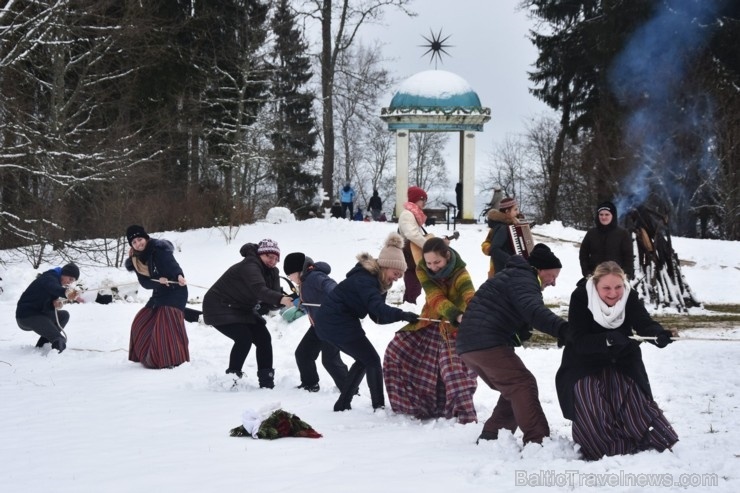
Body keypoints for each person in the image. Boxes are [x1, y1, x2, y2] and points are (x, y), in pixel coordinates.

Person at [556, 261, 678, 460]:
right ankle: (609, 446)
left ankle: (643, 439)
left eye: (618, 287)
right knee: (591, 404)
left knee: (635, 404)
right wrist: (607, 339)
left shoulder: (629, 297)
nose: (613, 293)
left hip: (622, 361)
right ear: (596, 285)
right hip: (585, 364)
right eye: (606, 288)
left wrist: (658, 335)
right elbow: (578, 340)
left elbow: (644, 323)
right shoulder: (581, 297)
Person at [456, 243, 568, 445]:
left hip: (469, 345)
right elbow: (534, 310)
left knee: (513, 386)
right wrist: (563, 329)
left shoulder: (515, 276)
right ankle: (538, 440)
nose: (553, 283)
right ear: (540, 270)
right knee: (522, 384)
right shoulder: (523, 279)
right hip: (485, 342)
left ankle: (493, 434)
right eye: (552, 276)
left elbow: (516, 310)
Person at [314, 232, 419, 412]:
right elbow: (378, 309)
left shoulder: (378, 282)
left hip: (336, 322)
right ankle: (377, 406)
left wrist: (400, 319)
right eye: (396, 273)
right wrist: (401, 314)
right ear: (386, 266)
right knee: (371, 360)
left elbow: (376, 316)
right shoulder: (365, 280)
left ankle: (343, 403)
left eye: (401, 275)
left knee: (365, 360)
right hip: (336, 322)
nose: (397, 278)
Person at [383, 237, 478, 423]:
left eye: (437, 262)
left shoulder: (461, 273)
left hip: (455, 327)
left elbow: (470, 295)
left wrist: (471, 314)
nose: (433, 266)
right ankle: (413, 406)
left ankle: (466, 418)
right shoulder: (422, 269)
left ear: (447, 256)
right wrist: (455, 313)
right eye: (429, 262)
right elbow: (436, 298)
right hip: (431, 320)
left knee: (452, 370)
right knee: (396, 351)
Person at [203, 239, 293, 388]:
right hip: (219, 306)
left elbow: (271, 301)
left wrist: (282, 299)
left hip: (243, 308)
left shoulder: (272, 272)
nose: (273, 261)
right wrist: (280, 298)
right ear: (260, 254)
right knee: (243, 338)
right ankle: (231, 378)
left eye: (276, 258)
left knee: (264, 338)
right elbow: (259, 289)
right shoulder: (250, 265)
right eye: (269, 256)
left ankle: (266, 382)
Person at [125, 225, 190, 369]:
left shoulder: (159, 249)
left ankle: (172, 357)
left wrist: (179, 276)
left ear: (146, 238)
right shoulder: (135, 259)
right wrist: (158, 281)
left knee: (164, 322)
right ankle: (146, 353)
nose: (138, 244)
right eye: (134, 242)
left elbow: (173, 266)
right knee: (141, 320)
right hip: (159, 292)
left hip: (176, 290)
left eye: (140, 239)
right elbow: (144, 282)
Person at [283, 252, 349, 393]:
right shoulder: (305, 281)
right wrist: (301, 302)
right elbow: (313, 299)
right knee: (303, 354)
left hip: (332, 324)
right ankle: (310, 384)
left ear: (298, 271)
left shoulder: (314, 277)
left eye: (290, 275)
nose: (291, 279)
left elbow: (330, 286)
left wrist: (336, 300)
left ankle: (350, 388)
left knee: (330, 360)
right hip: (319, 325)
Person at [16, 263, 81, 353]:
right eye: (70, 279)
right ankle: (58, 351)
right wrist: (66, 292)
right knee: (59, 339)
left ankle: (42, 346)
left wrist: (54, 304)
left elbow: (47, 301)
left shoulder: (56, 281)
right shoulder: (49, 277)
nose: (70, 282)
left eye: (72, 281)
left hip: (39, 314)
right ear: (64, 273)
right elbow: (52, 287)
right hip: (26, 316)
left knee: (64, 315)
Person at [398, 186, 437, 304]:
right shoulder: (407, 214)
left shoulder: (413, 214)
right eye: (422, 199)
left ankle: (410, 302)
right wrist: (428, 245)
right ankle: (409, 303)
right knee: (413, 280)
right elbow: (412, 234)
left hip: (412, 252)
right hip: (408, 252)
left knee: (415, 280)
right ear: (415, 199)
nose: (424, 202)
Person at [579, 201, 634, 279]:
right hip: (594, 277)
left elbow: (628, 257)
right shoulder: (591, 233)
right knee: (578, 291)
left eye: (607, 214)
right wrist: (586, 272)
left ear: (613, 216)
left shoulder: (622, 234)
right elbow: (583, 254)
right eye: (601, 214)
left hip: (616, 277)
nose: (603, 217)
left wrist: (626, 274)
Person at [481, 197, 521, 279]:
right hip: (501, 272)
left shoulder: (509, 225)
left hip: (505, 272)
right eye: (515, 209)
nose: (518, 212)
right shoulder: (502, 228)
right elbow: (494, 249)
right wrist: (512, 260)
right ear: (507, 212)